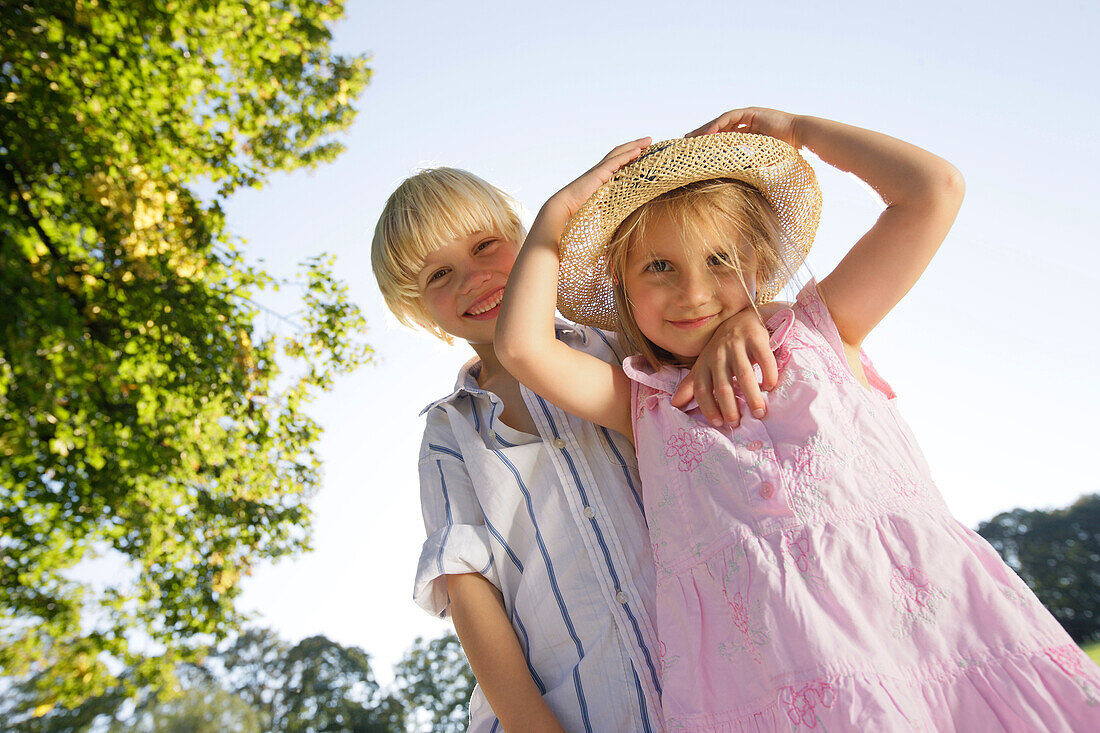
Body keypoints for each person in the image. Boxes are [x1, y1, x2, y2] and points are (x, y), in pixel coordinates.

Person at [495, 107, 1100, 730]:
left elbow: (932, 190)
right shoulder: (644, 403)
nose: (693, 291)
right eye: (658, 267)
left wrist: (800, 130)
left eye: (721, 260)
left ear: (759, 268)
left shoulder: (821, 329)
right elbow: (523, 349)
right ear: (623, 289)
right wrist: (556, 215)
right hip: (775, 677)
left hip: (933, 632)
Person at [371, 166, 779, 732]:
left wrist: (743, 322)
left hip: (716, 685)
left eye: (486, 245)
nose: (473, 278)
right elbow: (470, 592)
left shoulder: (625, 347)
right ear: (417, 310)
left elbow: (707, 321)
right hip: (575, 708)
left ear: (528, 239)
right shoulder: (449, 433)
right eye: (439, 274)